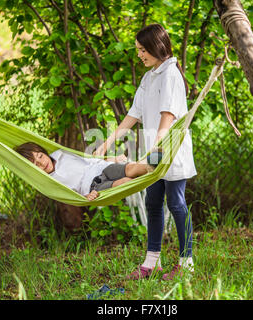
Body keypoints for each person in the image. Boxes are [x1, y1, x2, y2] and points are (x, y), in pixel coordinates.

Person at [94, 24, 197, 280]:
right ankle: (152, 263)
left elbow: (167, 117)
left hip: (169, 150)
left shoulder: (170, 74)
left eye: (143, 50)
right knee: (153, 202)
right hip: (155, 152)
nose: (139, 54)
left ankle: (187, 264)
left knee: (176, 203)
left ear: (157, 47)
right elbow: (133, 115)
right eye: (138, 50)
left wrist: (155, 151)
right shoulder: (149, 76)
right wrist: (106, 143)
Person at [14, 142, 159, 201]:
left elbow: (88, 160)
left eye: (40, 156)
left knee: (130, 168)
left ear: (44, 152)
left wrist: (112, 159)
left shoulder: (61, 153)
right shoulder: (50, 183)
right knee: (124, 182)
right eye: (36, 164)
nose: (42, 163)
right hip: (92, 187)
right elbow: (72, 196)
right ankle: (149, 173)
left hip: (100, 168)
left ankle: (155, 162)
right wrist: (86, 196)